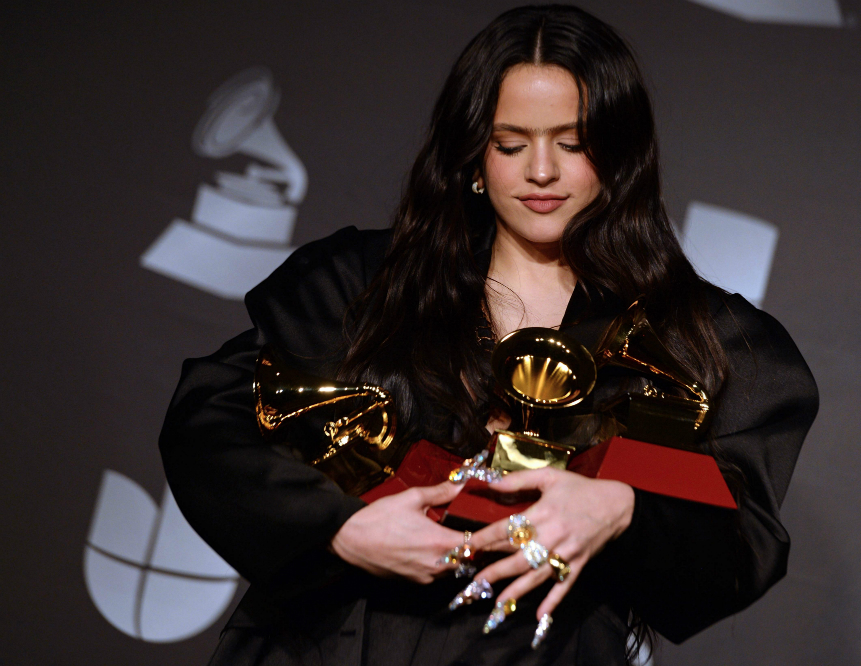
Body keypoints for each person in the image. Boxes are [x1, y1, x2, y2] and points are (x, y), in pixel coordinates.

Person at [159, 5, 819, 665]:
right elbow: (208, 424)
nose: (540, 172)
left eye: (572, 142)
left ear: (619, 156)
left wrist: (621, 510)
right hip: (326, 643)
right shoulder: (359, 286)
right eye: (511, 144)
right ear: (473, 157)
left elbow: (742, 541)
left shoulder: (698, 336)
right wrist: (339, 531)